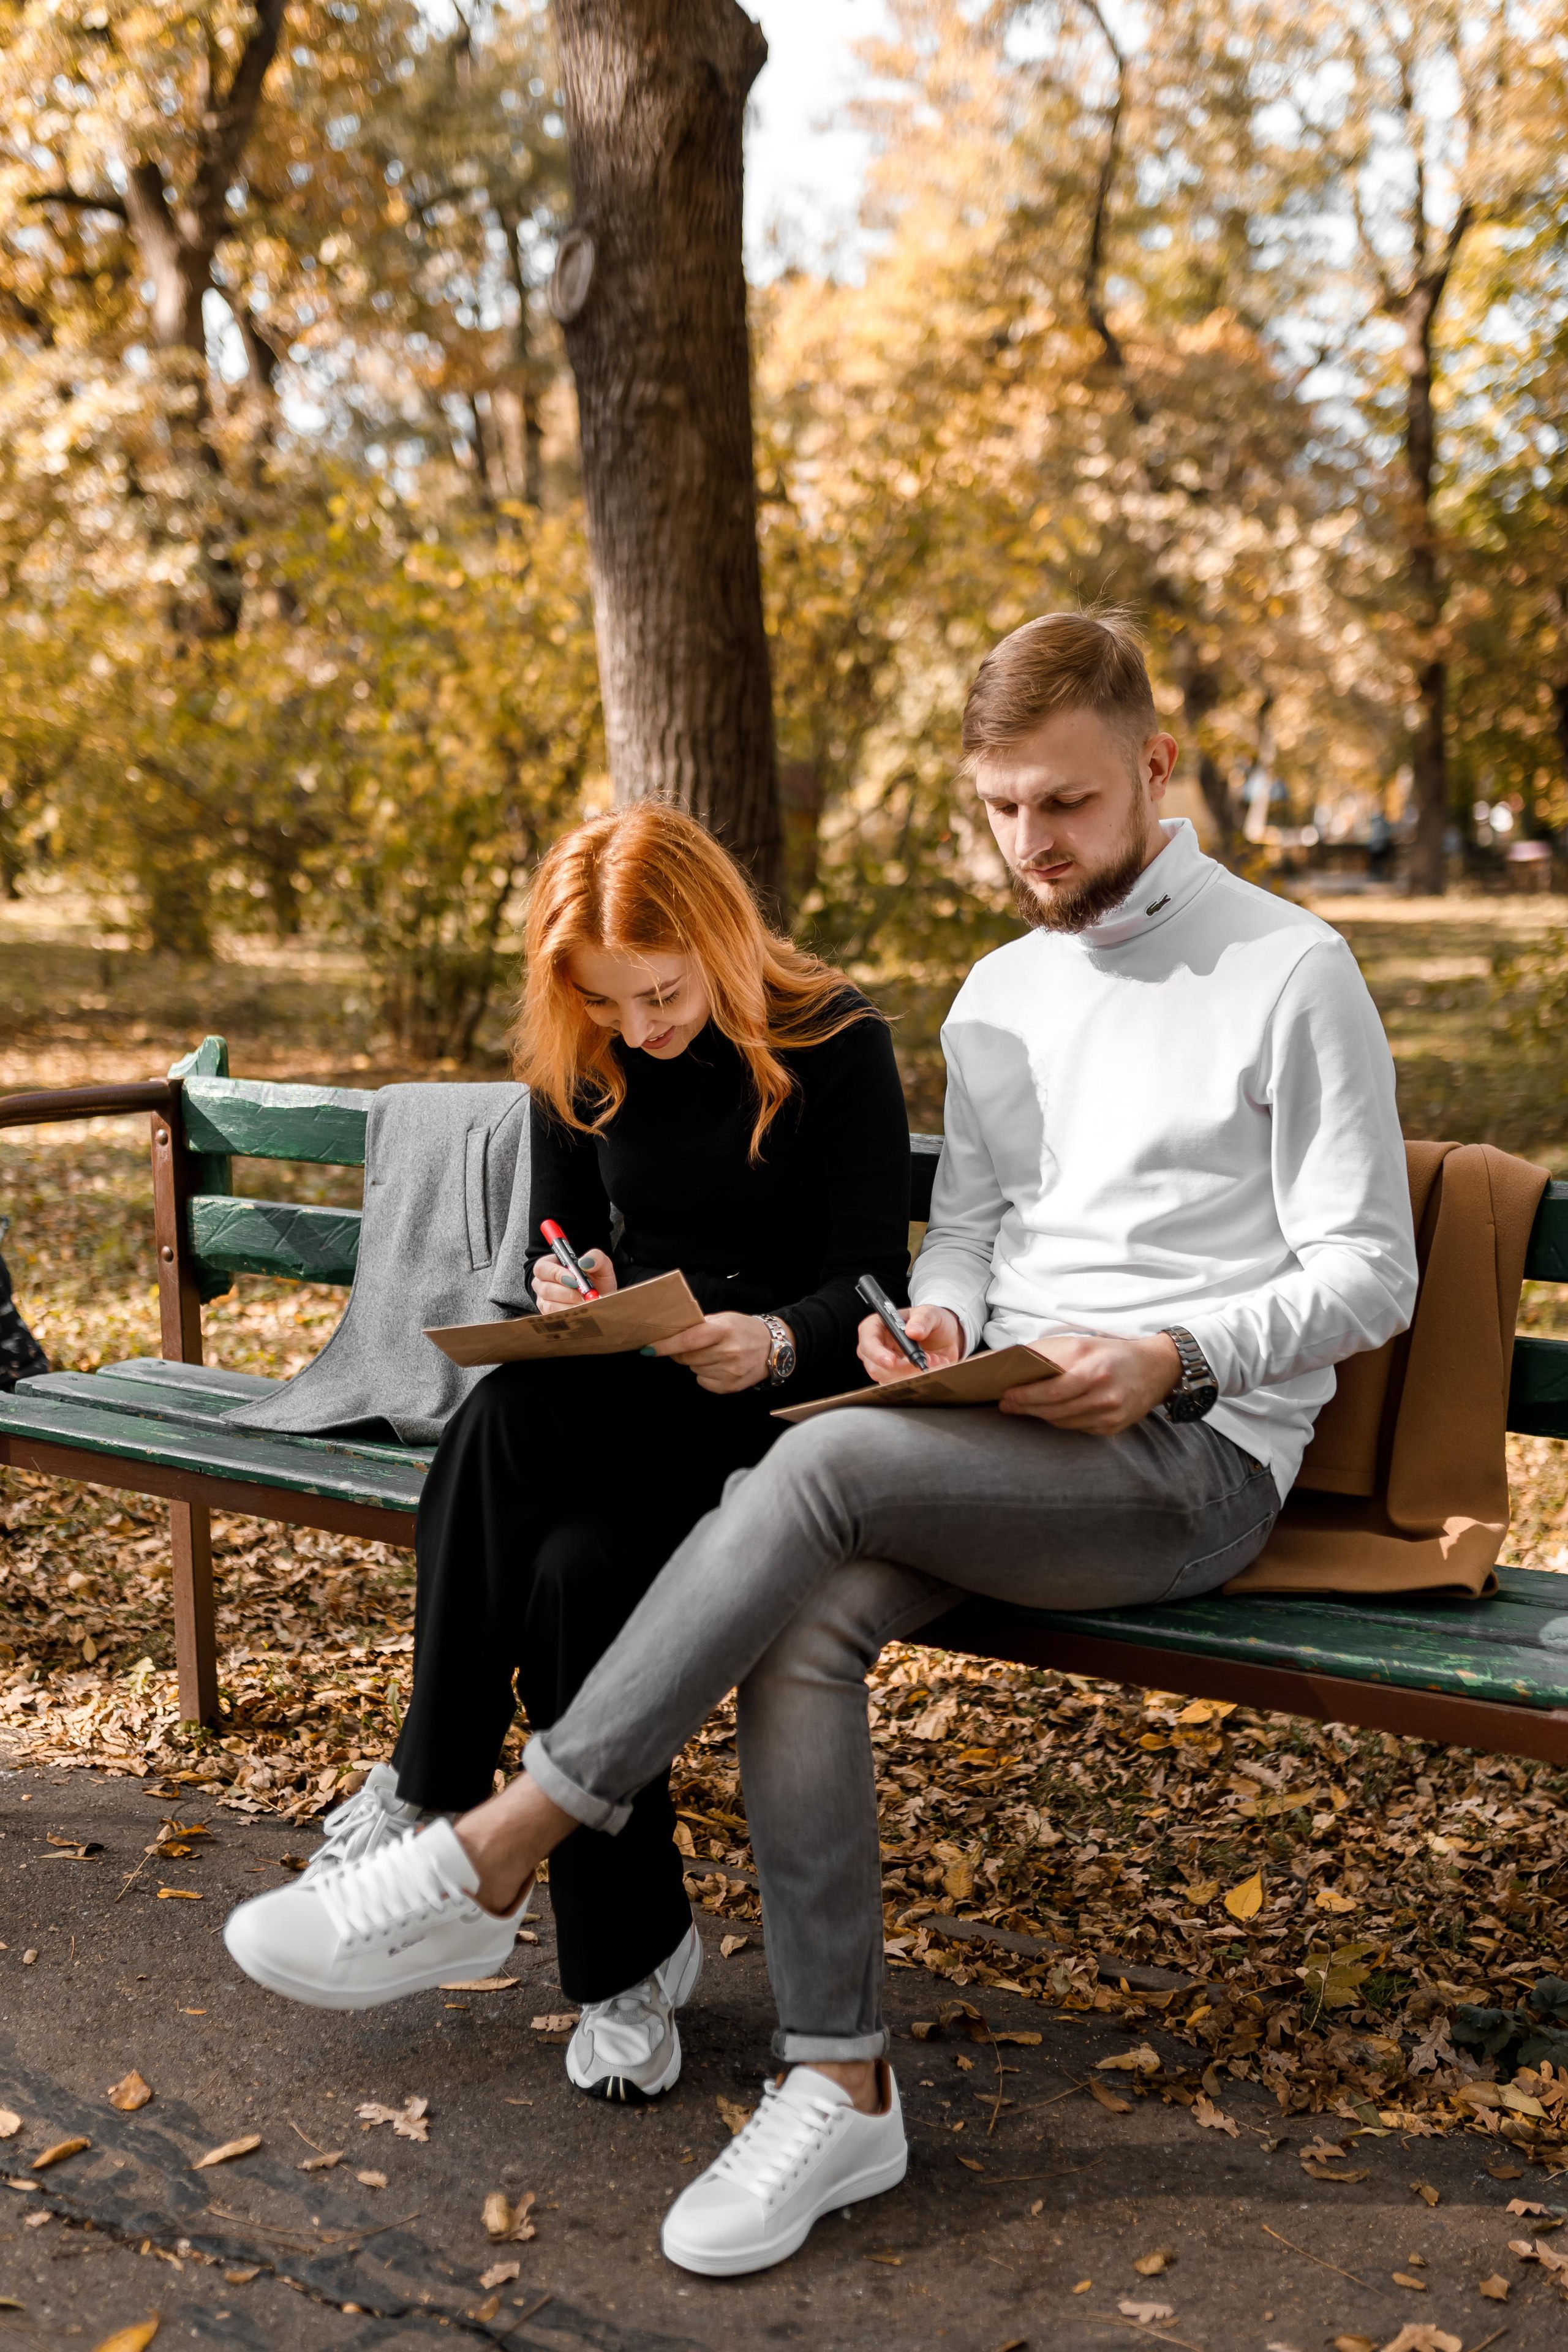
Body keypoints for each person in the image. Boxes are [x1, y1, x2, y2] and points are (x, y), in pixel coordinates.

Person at [224, 611, 1419, 2277]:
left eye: (1064, 805)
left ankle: (497, 1848)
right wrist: (927, 1327)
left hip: (1191, 1460)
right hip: (987, 1420)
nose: (1032, 846)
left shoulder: (1292, 969)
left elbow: (1373, 1270)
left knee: (822, 1470)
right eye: (1000, 809)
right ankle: (841, 2083)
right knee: (805, 1606)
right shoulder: (1003, 994)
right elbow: (976, 1232)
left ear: (1157, 768)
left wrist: (1175, 1348)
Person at [223, 800, 913, 2105]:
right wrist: (571, 1280)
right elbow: (566, 1230)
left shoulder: (835, 1041)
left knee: (501, 1424)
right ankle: (627, 1964)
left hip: (774, 1422)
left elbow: (871, 1279)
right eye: (611, 1003)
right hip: (626, 1394)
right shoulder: (587, 1050)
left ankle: (431, 1789)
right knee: (572, 1572)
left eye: (661, 994)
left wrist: (767, 1338)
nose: (641, 1029)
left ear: (719, 937)